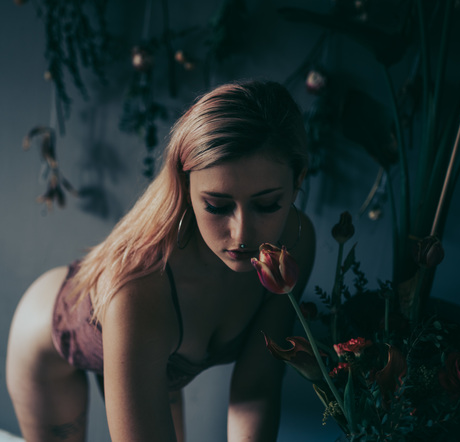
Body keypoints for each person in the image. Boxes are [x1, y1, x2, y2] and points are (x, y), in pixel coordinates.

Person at [6, 79, 316, 442]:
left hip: (149, 347)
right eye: (217, 206)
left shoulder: (296, 243)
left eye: (267, 204)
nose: (241, 233)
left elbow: (257, 384)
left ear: (298, 181)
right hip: (52, 336)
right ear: (185, 186)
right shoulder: (141, 287)